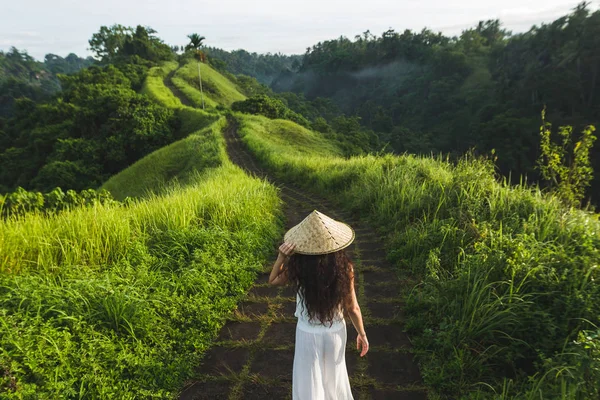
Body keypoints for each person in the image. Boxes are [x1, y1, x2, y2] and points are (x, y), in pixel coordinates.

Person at [268, 210, 369, 400]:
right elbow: (352, 307)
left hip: (307, 333)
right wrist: (362, 334)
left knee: (309, 382)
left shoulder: (299, 266)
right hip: (335, 332)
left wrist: (281, 257)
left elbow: (273, 280)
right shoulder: (345, 267)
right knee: (335, 380)